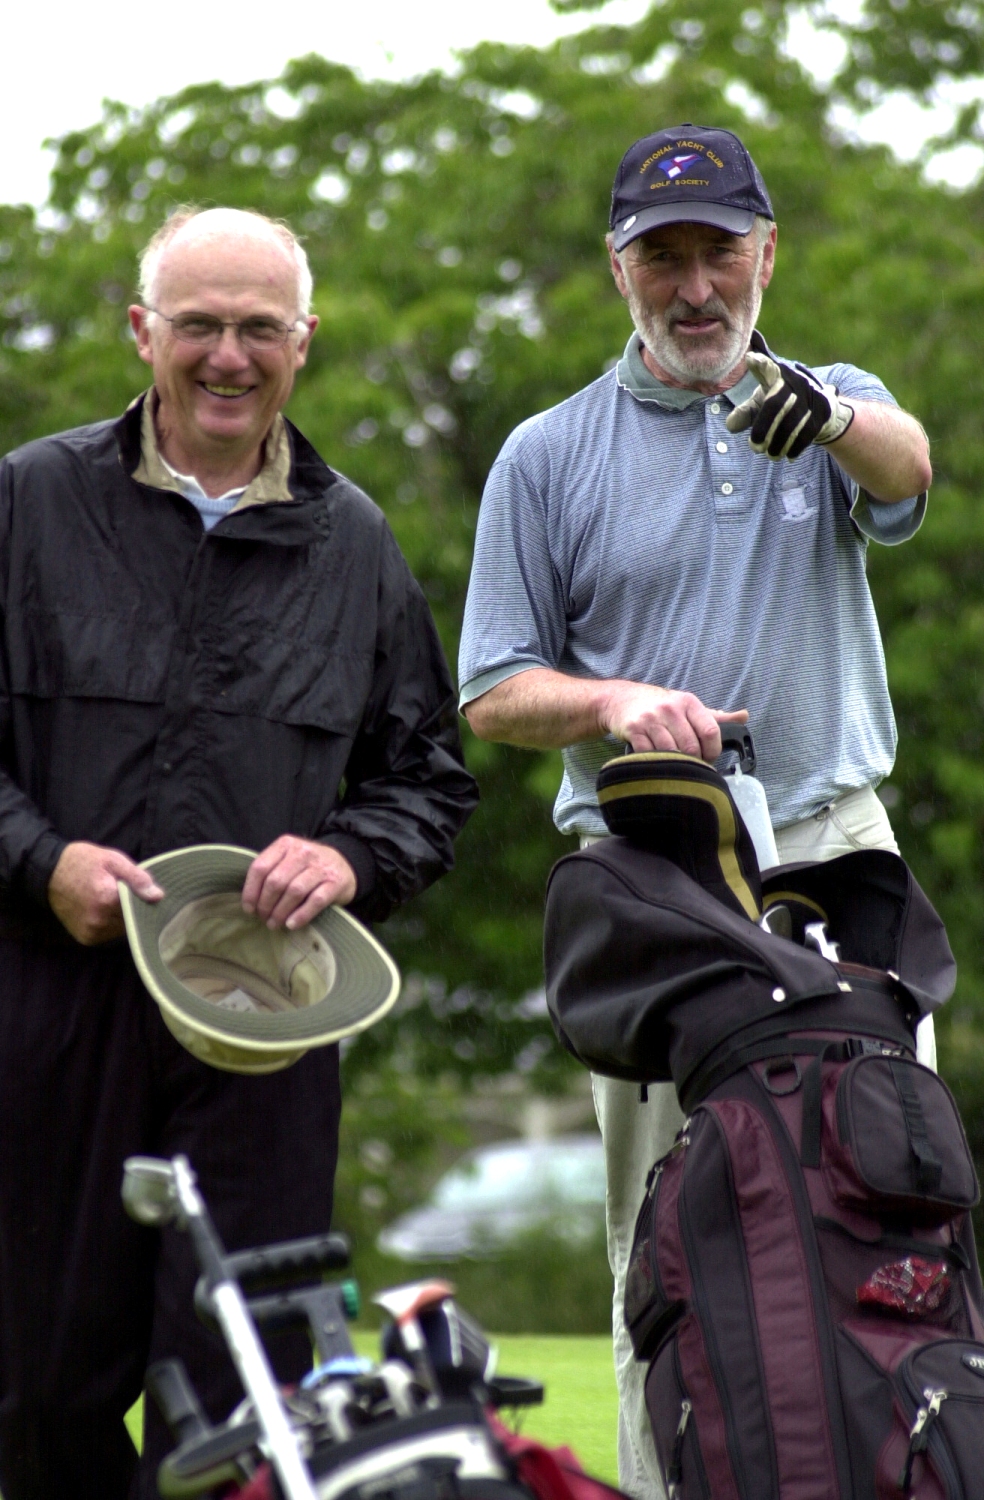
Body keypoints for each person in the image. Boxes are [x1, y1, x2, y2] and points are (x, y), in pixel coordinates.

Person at [458, 124, 932, 1498]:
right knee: (668, 1232)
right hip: (652, 881)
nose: (696, 286)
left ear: (766, 253)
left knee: (890, 1196)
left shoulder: (826, 402)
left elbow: (908, 469)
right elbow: (492, 689)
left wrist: (828, 415)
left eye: (720, 251)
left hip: (838, 855)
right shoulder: (547, 455)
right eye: (661, 257)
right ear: (620, 271)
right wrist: (612, 703)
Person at [0, 206, 477, 1500]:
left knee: (244, 1403)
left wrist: (349, 859)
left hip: (263, 1030)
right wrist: (40, 860)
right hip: (50, 1015)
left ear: (302, 341)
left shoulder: (354, 543)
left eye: (258, 328)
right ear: (141, 332)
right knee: (38, 1389)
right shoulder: (28, 501)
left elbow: (427, 782)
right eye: (199, 325)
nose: (228, 355)